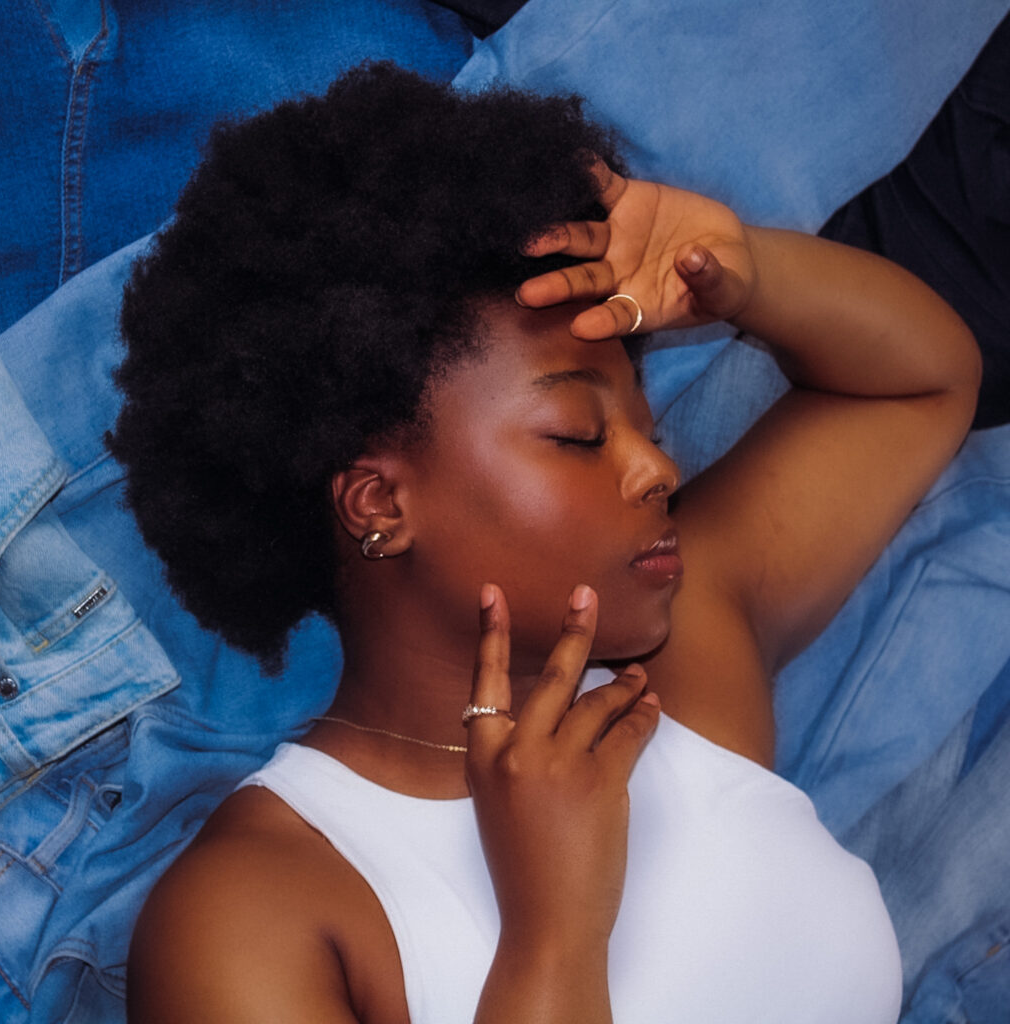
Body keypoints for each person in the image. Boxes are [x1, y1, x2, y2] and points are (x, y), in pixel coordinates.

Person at [111, 63, 979, 1022]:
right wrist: (555, 934)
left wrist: (744, 276)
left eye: (647, 425)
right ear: (378, 504)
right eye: (578, 435)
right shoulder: (250, 910)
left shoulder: (674, 681)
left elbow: (919, 383)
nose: (659, 469)